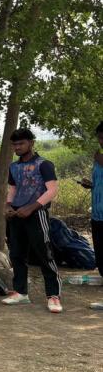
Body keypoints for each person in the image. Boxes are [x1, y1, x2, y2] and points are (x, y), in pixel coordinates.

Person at [2, 128, 62, 313]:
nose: (17, 147)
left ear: (31, 143)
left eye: (21, 143)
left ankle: (53, 296)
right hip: (17, 215)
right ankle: (21, 293)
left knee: (45, 254)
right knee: (17, 254)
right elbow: (13, 188)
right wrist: (8, 205)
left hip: (37, 215)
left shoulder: (44, 164)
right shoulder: (14, 166)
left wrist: (31, 207)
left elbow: (52, 190)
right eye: (14, 144)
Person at [79, 121, 103, 310]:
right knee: (100, 256)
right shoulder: (98, 158)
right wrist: (91, 184)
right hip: (98, 214)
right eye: (100, 138)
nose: (101, 141)